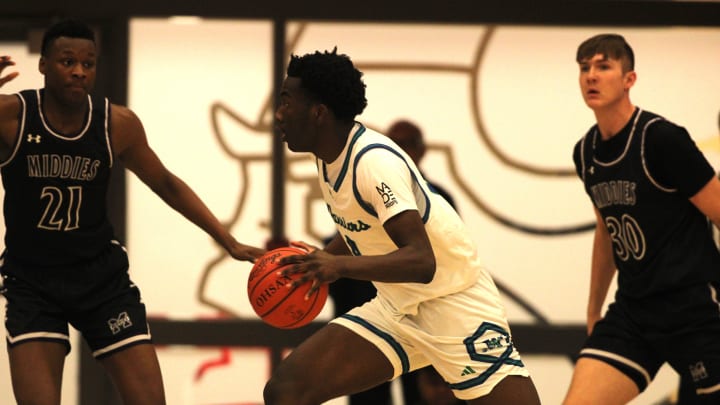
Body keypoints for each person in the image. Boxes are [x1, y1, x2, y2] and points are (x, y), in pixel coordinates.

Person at [0, 20, 264, 405]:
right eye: (67, 61)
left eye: (88, 63)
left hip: (99, 280)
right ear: (42, 65)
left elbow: (167, 184)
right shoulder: (12, 116)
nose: (79, 71)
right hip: (32, 282)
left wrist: (229, 241)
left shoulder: (116, 124)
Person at [264, 48, 541, 405]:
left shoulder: (373, 162)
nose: (278, 114)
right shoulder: (329, 159)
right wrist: (319, 259)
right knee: (286, 391)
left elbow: (421, 262)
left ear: (318, 113)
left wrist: (337, 267)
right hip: (397, 308)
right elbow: (364, 231)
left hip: (453, 306)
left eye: (286, 102)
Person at [563, 33, 720, 405]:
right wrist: (593, 309)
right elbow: (606, 232)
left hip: (695, 309)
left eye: (603, 66)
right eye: (585, 68)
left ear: (629, 79)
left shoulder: (662, 139)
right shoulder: (585, 151)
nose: (591, 76)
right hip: (635, 311)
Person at [327, 119, 460, 405]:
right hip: (374, 315)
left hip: (422, 318)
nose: (401, 150)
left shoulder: (438, 199)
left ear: (422, 151)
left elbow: (447, 263)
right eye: (395, 143)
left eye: (408, 144)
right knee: (370, 397)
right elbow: (348, 240)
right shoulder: (366, 187)